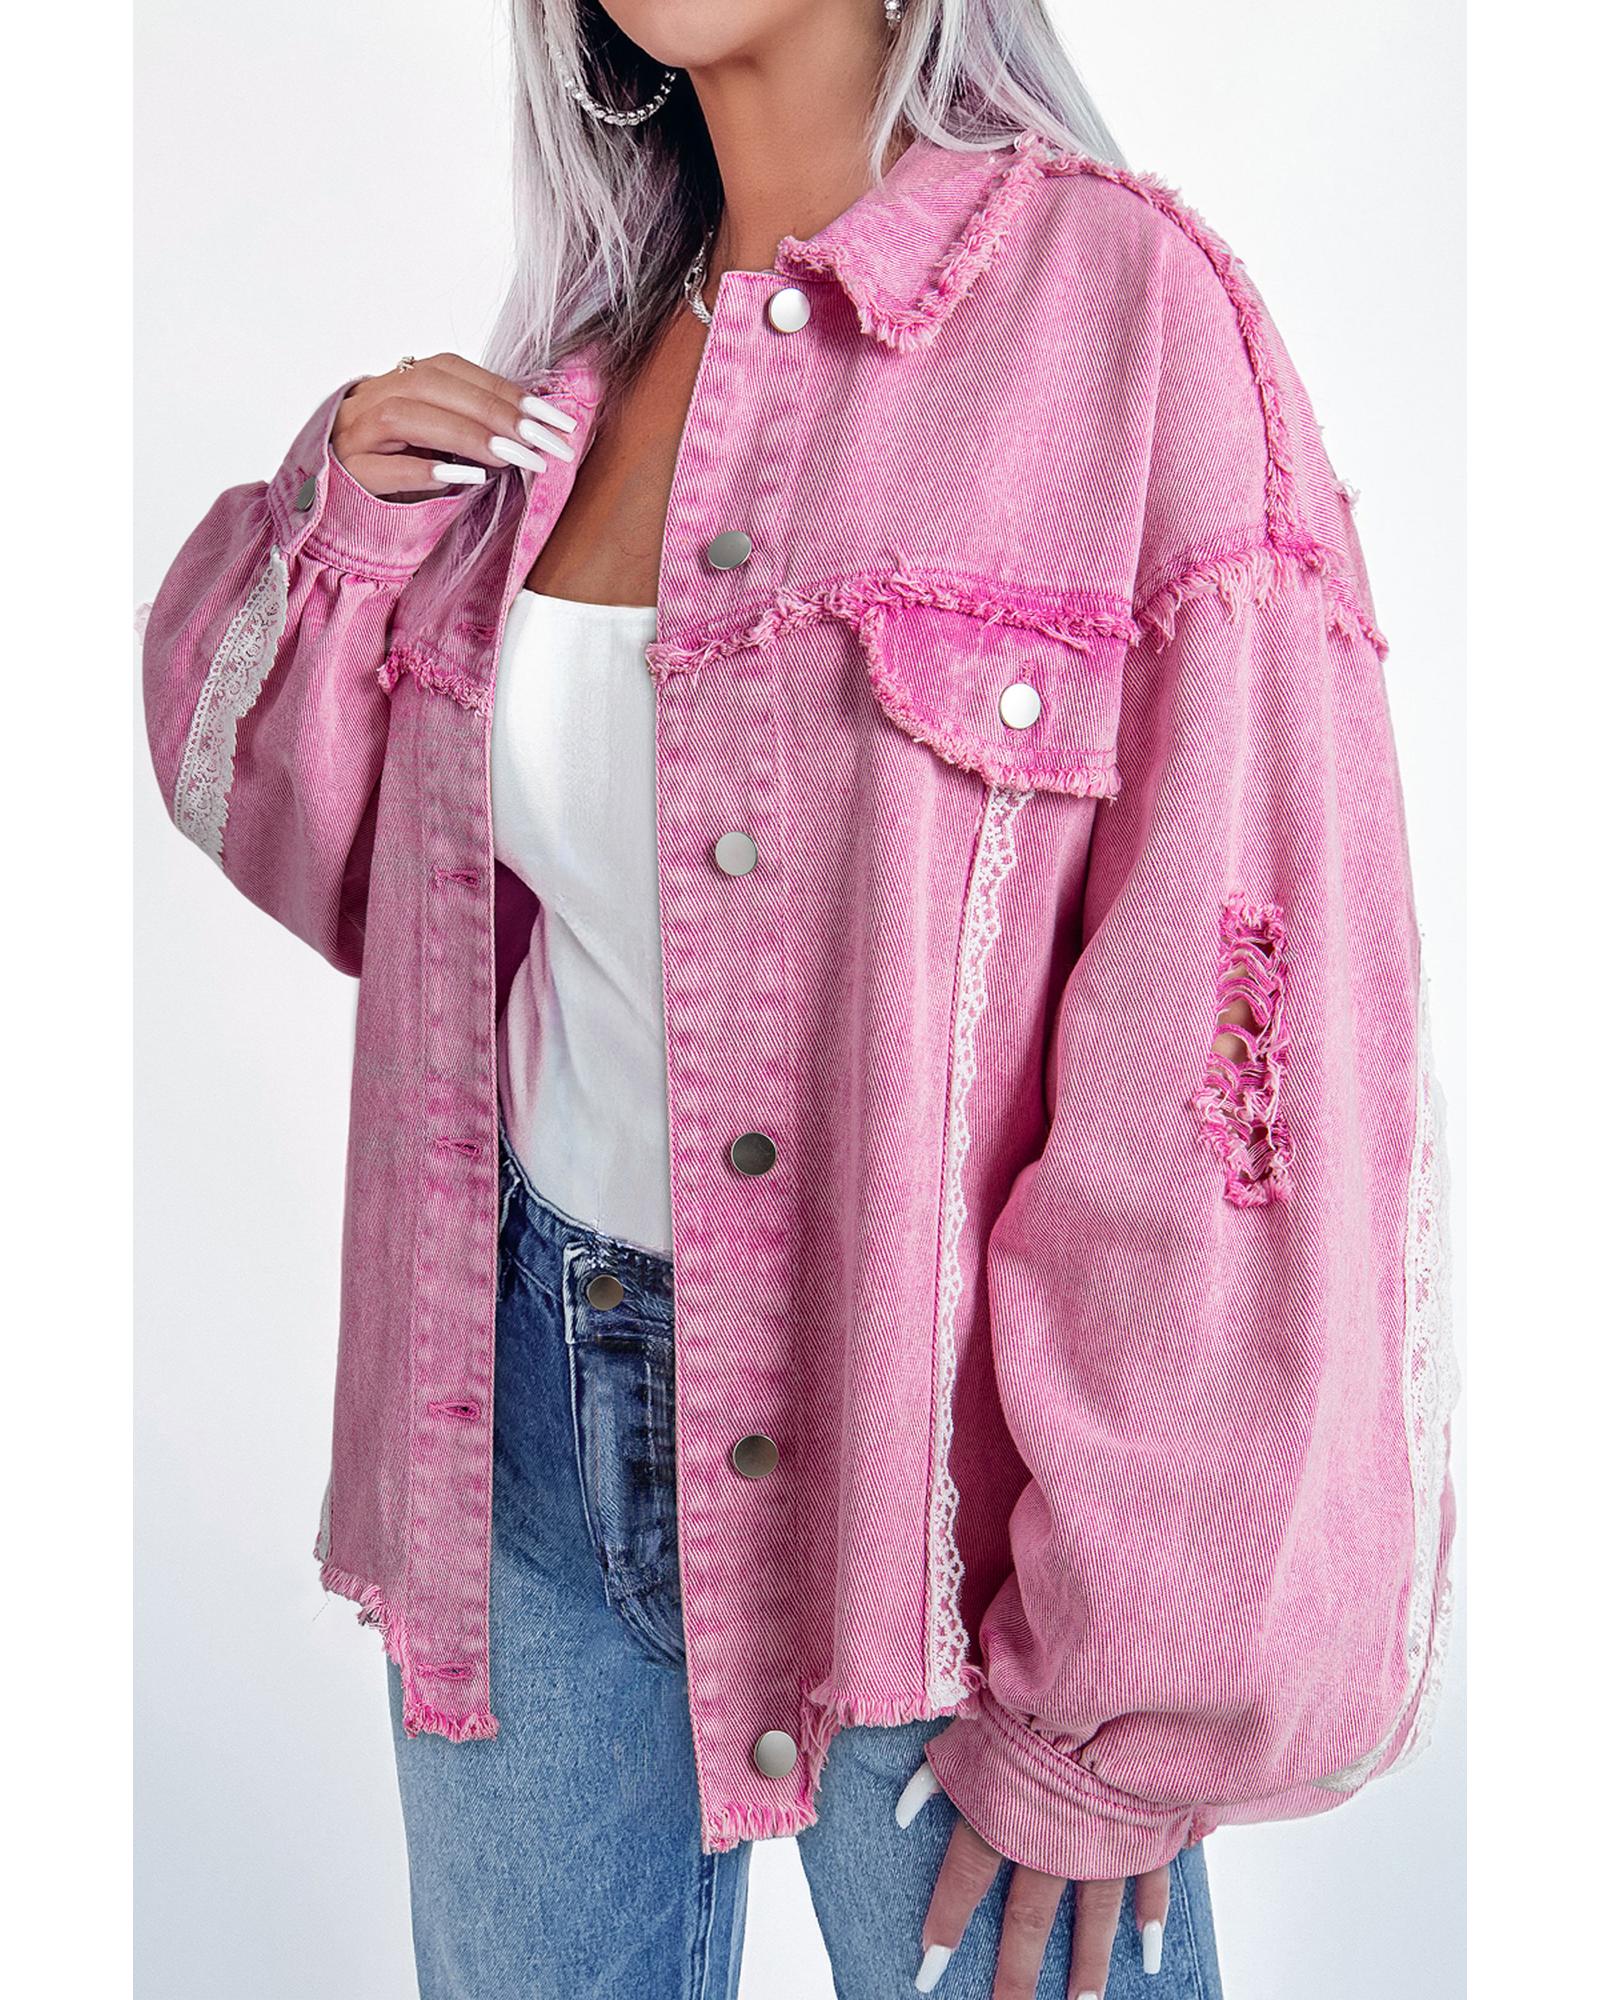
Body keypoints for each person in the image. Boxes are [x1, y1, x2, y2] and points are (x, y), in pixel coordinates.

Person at [139, 3, 1458, 1996]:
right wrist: (354, 527)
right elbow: (349, 862)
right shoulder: (580, 362)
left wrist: (1119, 1689)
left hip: (931, 1523)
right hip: (510, 1437)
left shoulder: (1125, 316)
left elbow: (1239, 1021)